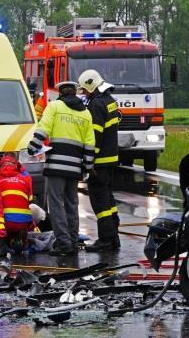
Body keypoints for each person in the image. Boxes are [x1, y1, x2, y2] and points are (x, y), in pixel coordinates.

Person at [27, 81, 95, 256]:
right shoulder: (86, 113)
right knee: (72, 204)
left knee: (56, 204)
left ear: (60, 93)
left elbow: (43, 129)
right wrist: (87, 166)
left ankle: (63, 244)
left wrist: (33, 148)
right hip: (75, 168)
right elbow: (89, 143)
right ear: (74, 92)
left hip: (56, 166)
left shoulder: (55, 107)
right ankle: (72, 241)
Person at [78, 69, 121, 251]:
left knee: (100, 201)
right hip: (111, 159)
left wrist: (89, 160)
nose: (84, 94)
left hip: (100, 161)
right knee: (109, 199)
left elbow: (95, 136)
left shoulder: (96, 105)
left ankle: (105, 240)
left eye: (85, 90)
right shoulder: (110, 101)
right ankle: (113, 237)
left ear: (91, 86)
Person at [0, 155, 35, 250]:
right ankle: (21, 236)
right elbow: (30, 199)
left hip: (4, 223)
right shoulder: (26, 178)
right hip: (23, 223)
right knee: (34, 209)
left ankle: (5, 239)